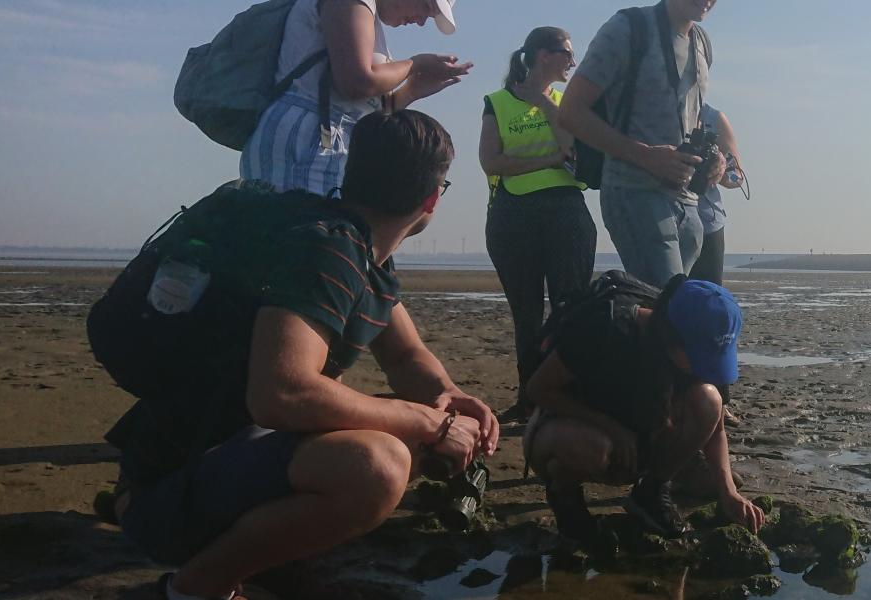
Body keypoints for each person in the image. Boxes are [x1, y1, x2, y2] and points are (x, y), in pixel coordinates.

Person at [90, 110, 499, 600]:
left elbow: (406, 356)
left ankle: (251, 550)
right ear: (432, 198)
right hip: (167, 496)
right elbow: (281, 394)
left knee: (401, 430)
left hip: (206, 470)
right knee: (378, 463)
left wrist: (449, 398)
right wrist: (426, 423)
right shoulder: (328, 252)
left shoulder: (352, 249)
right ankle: (194, 589)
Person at [523, 273, 763, 541]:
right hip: (564, 429)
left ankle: (651, 491)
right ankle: (567, 501)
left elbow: (716, 428)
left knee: (710, 401)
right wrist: (611, 427)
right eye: (697, 358)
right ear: (668, 333)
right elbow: (538, 390)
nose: (700, 368)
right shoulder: (604, 328)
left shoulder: (695, 344)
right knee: (591, 448)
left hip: (637, 430)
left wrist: (728, 492)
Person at [555, 0, 725, 288]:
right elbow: (570, 112)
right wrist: (646, 156)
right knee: (668, 313)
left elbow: (691, 119)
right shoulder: (627, 29)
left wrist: (715, 158)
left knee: (676, 314)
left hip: (687, 201)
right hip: (634, 192)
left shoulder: (702, 43)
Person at [480, 26, 596, 422]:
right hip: (513, 216)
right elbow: (491, 162)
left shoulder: (569, 102)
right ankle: (529, 400)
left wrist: (545, 102)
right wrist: (546, 162)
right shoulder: (496, 101)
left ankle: (568, 397)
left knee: (570, 308)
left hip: (566, 213)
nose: (573, 62)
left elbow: (571, 150)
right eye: (567, 53)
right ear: (543, 55)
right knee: (526, 315)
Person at [241, 0, 472, 196]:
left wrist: (411, 90)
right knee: (308, 243)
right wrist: (415, 64)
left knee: (315, 242)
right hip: (307, 140)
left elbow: (361, 107)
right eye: (426, 6)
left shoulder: (370, 21)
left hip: (319, 140)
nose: (421, 21)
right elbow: (358, 81)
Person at [686, 102, 745, 285]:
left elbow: (738, 176)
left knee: (707, 297)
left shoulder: (713, 118)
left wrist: (720, 170)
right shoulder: (651, 107)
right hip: (660, 213)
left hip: (708, 222)